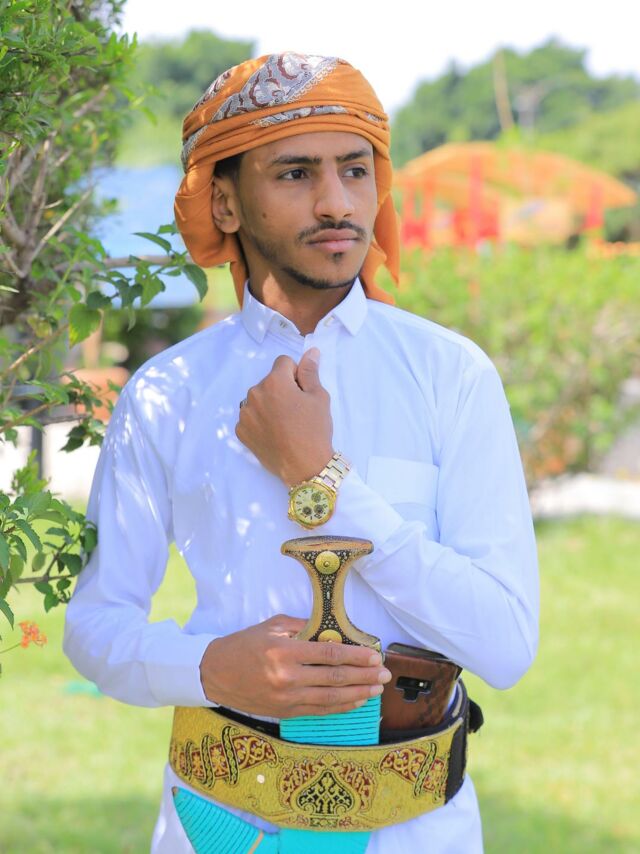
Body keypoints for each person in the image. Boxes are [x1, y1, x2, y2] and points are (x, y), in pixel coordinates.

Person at [64, 52, 539, 853]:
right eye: (294, 173)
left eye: (355, 170)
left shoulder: (449, 375)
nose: (336, 203)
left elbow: (506, 643)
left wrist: (321, 477)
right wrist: (211, 668)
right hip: (216, 826)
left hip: (415, 831)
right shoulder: (167, 392)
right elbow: (95, 626)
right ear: (224, 202)